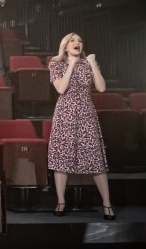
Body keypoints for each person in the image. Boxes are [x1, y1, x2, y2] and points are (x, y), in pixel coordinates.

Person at [47, 33, 115, 220]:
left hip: (86, 113)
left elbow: (101, 88)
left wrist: (92, 63)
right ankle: (61, 202)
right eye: (73, 41)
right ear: (66, 46)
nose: (77, 43)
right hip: (65, 114)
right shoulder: (56, 64)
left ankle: (107, 204)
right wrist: (70, 65)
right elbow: (61, 88)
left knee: (95, 158)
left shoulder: (89, 63)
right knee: (62, 158)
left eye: (80, 41)